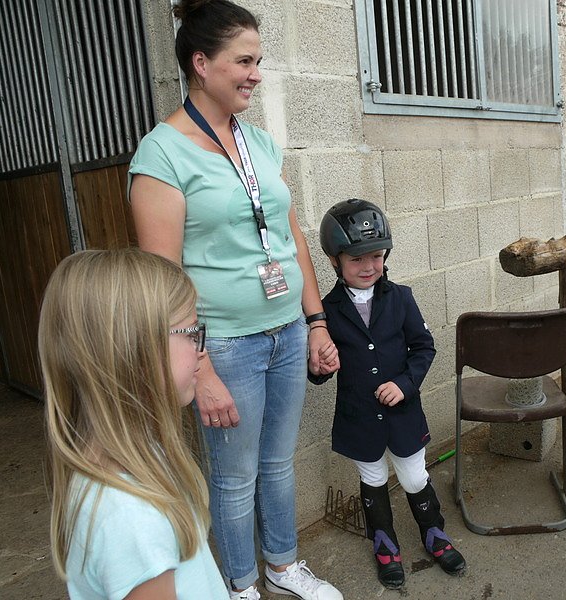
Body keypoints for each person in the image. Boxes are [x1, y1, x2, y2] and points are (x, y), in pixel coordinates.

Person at [128, 1, 342, 599]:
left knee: (277, 464)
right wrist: (200, 369)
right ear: (201, 64)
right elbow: (161, 278)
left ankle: (282, 566)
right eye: (243, 61)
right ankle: (240, 586)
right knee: (233, 475)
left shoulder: (258, 143)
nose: (255, 74)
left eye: (259, 61)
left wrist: (316, 321)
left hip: (285, 330)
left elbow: (290, 234)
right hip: (222, 343)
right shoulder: (162, 154)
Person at [41, 249, 226, 599]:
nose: (202, 349)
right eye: (190, 333)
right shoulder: (132, 517)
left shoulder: (130, 462)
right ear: (133, 350)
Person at [310, 199, 466, 589]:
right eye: (356, 259)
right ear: (334, 260)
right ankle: (384, 543)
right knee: (373, 478)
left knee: (414, 476)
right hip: (359, 417)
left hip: (403, 415)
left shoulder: (401, 297)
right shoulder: (324, 312)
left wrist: (405, 384)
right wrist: (318, 368)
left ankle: (434, 534)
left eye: (377, 256)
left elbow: (424, 347)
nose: (369, 266)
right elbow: (319, 372)